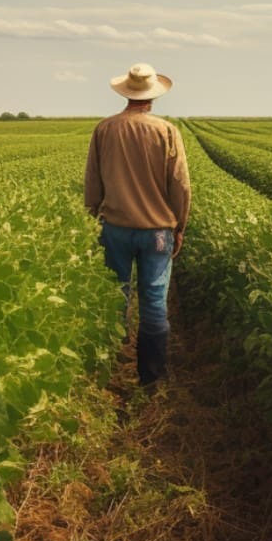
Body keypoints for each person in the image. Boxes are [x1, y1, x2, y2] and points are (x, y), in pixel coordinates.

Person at [84, 63, 191, 386]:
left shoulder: (105, 129)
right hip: (157, 232)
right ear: (152, 96)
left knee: (116, 295)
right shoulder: (166, 131)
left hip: (114, 227)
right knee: (155, 301)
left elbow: (93, 181)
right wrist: (179, 226)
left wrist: (92, 218)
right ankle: (151, 377)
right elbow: (180, 185)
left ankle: (112, 365)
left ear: (127, 93)